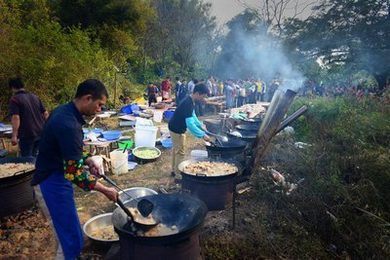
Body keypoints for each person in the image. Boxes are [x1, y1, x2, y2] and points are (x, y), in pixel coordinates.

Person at [32, 79, 118, 259]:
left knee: (71, 234)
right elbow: (74, 173)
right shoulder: (68, 124)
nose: (100, 109)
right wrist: (105, 190)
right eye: (99, 104)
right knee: (69, 241)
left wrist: (87, 160)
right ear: (88, 98)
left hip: (57, 176)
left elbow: (67, 151)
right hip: (50, 182)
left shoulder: (64, 111)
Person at [168, 84, 211, 176]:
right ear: (197, 93)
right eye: (203, 96)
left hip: (174, 126)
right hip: (176, 129)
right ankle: (178, 175)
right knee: (180, 152)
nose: (203, 99)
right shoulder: (188, 103)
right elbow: (190, 124)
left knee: (177, 150)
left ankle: (173, 170)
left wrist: (200, 125)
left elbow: (192, 114)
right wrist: (202, 135)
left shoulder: (190, 100)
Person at [8, 77, 49, 157]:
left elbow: (16, 117)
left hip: (27, 134)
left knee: (27, 160)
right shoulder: (35, 97)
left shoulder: (15, 99)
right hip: (41, 131)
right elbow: (46, 113)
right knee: (37, 157)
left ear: (12, 87)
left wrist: (14, 136)